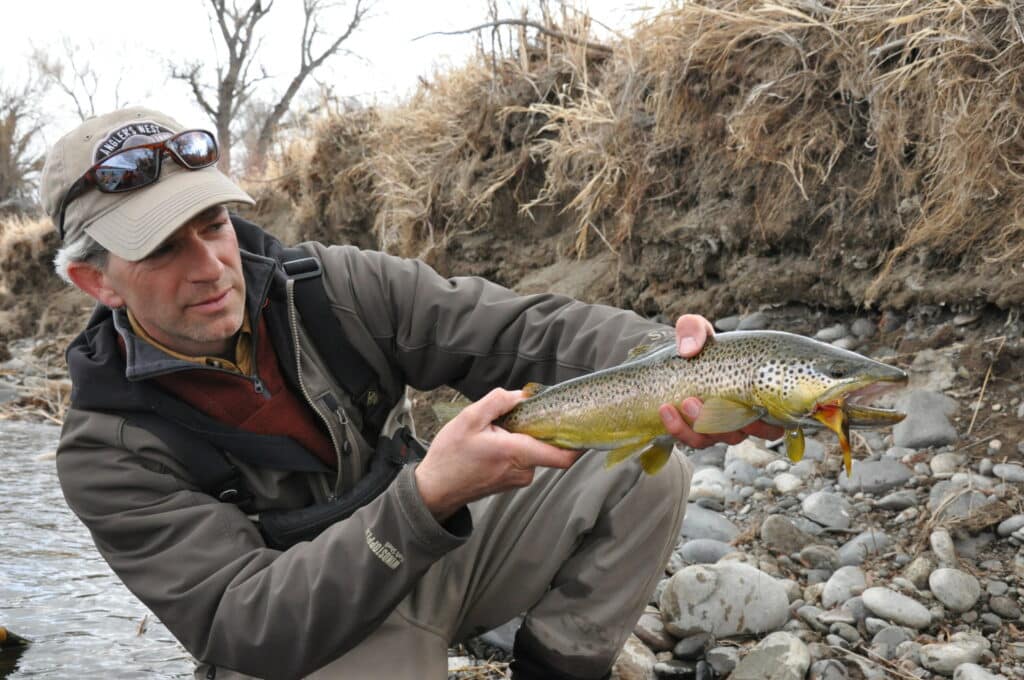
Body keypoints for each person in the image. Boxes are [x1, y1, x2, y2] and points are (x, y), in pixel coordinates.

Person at [43, 107, 781, 680]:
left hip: (437, 552)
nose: (210, 266)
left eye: (214, 225)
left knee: (636, 471)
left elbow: (523, 333)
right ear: (95, 281)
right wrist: (425, 499)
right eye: (165, 248)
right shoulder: (107, 448)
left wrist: (674, 363)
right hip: (312, 635)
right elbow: (251, 621)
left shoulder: (330, 288)